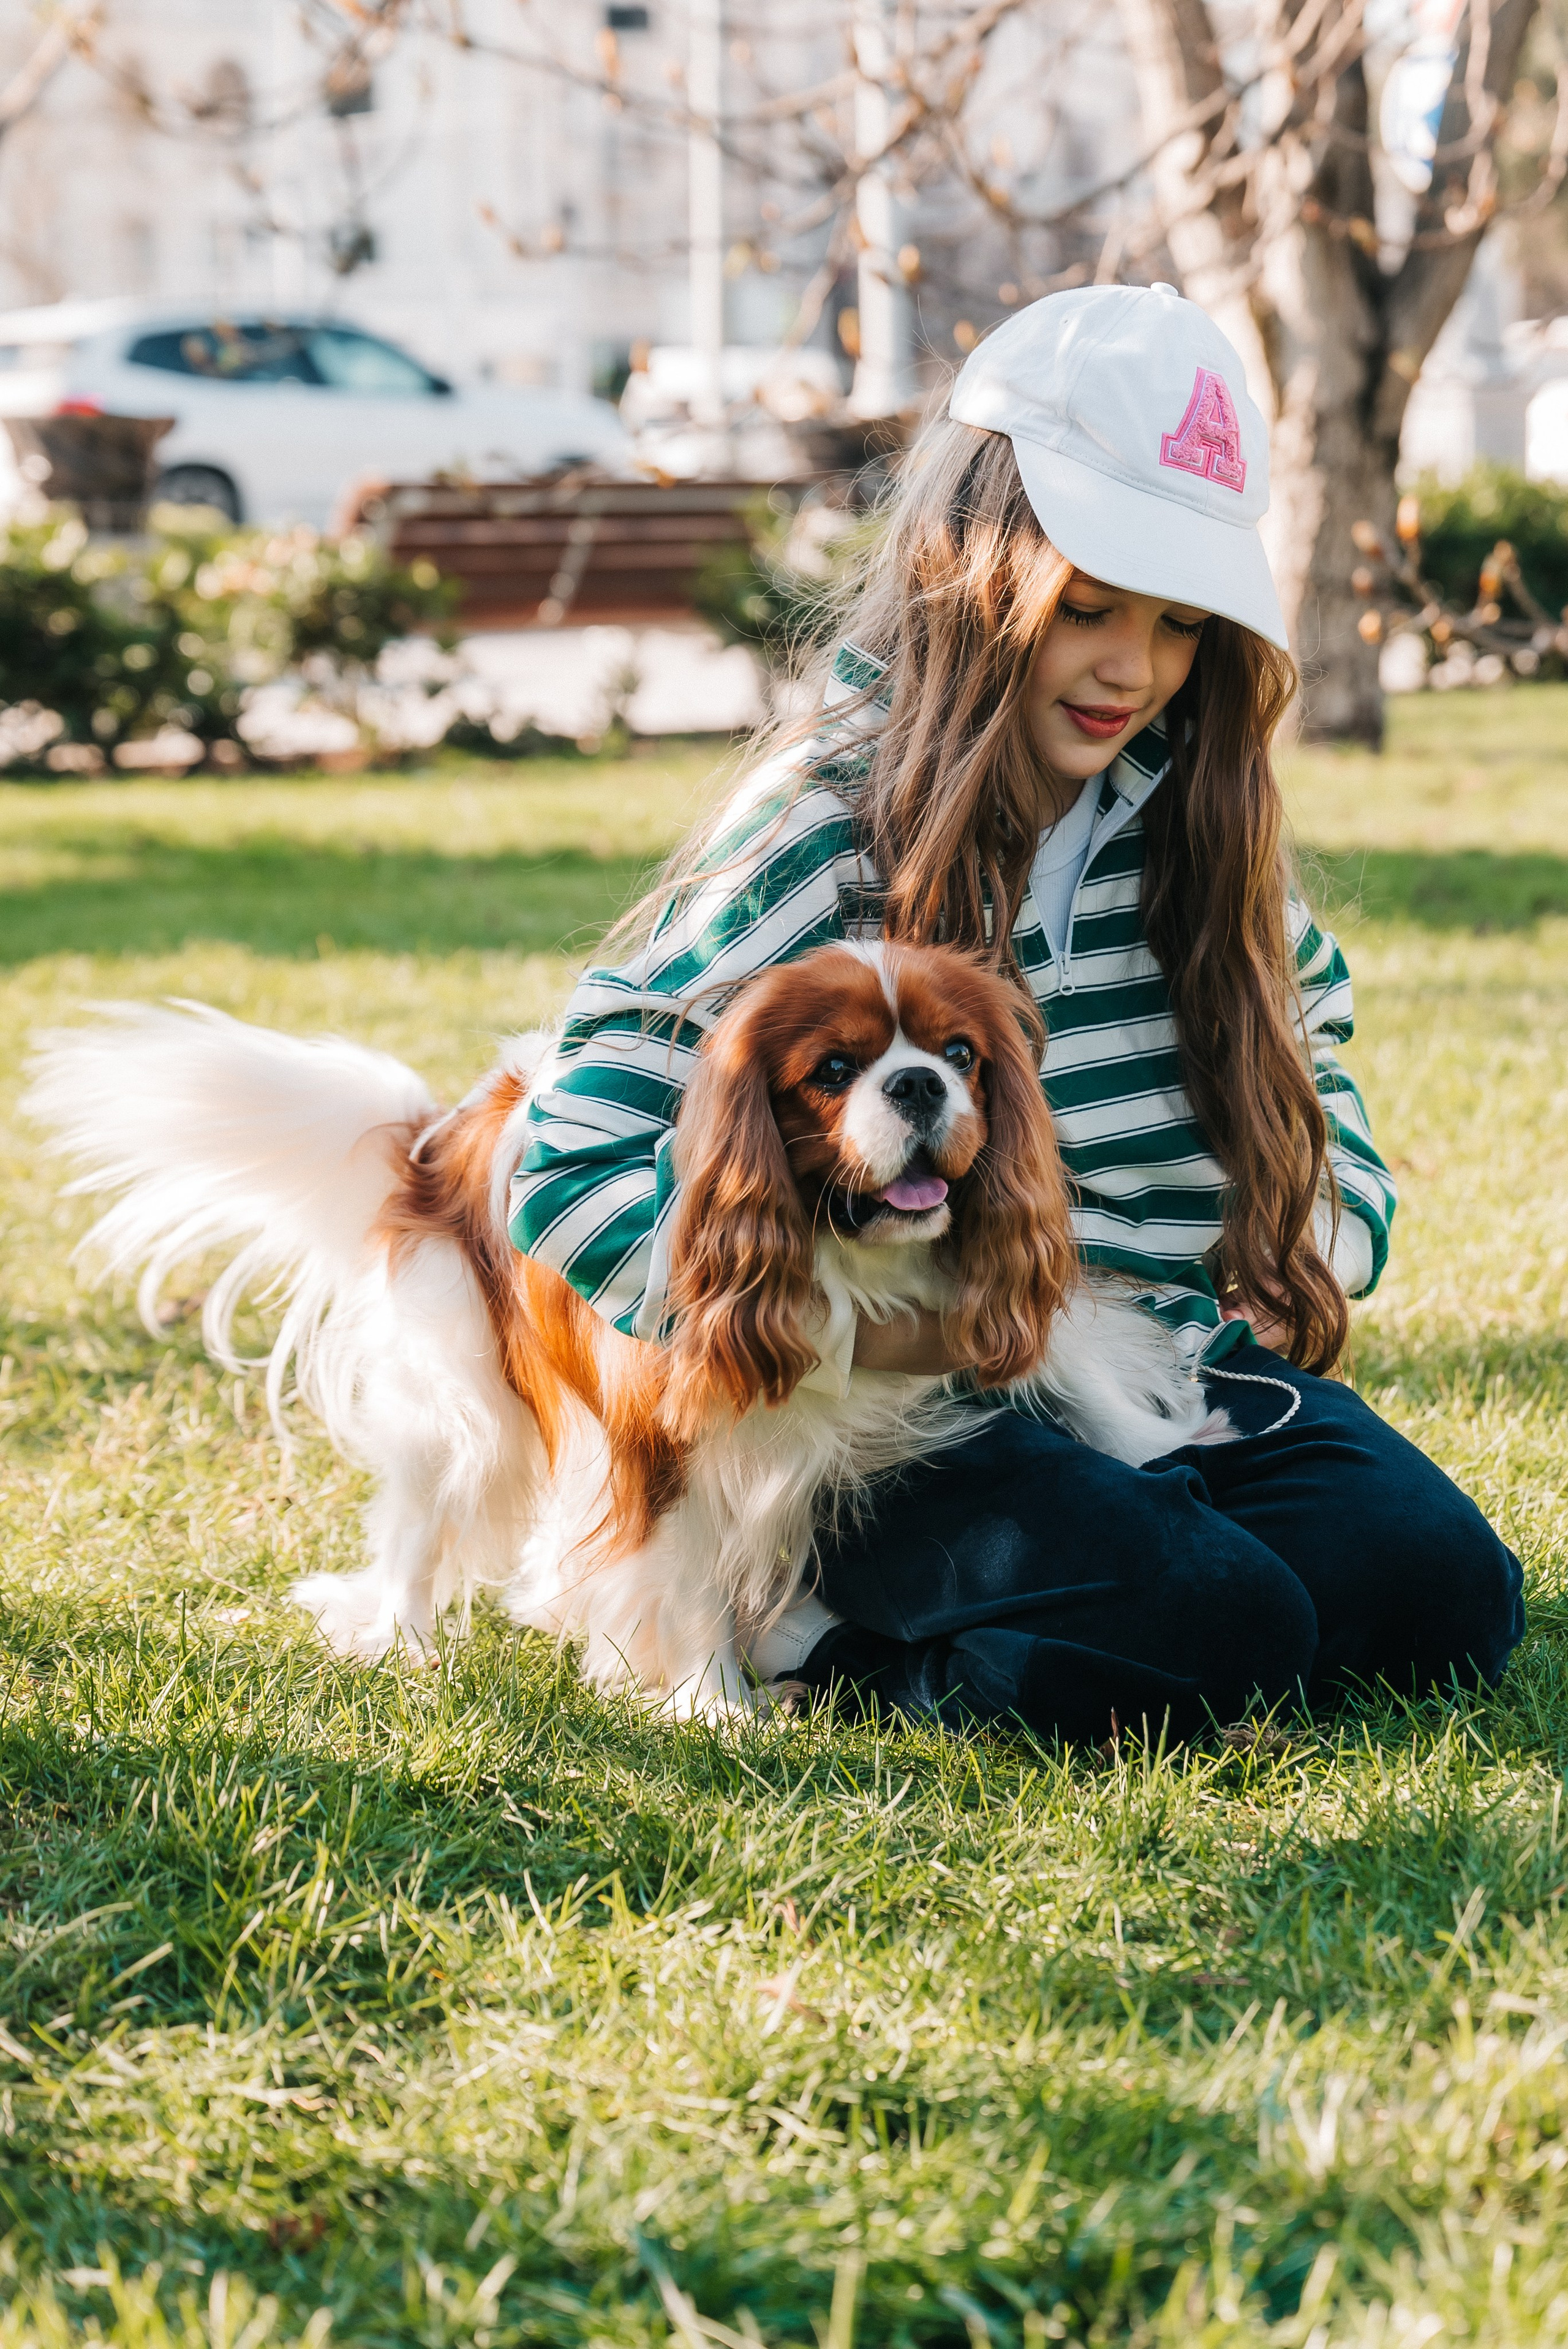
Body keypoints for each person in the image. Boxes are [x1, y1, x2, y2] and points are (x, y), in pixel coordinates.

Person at [509, 283, 1524, 1742]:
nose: (1133, 668)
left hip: (1157, 1360)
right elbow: (564, 1157)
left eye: (1180, 623)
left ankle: (1112, 1591)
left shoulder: (1193, 817)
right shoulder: (822, 823)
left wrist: (1305, 1242)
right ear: (967, 573)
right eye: (1090, 608)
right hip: (901, 1413)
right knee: (1213, 1629)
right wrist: (833, 1338)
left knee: (1441, 1599)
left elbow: (1325, 1091)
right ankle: (827, 1641)